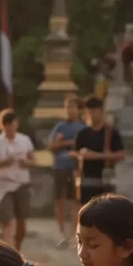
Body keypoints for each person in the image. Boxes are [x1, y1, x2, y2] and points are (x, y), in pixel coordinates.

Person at [0, 109, 35, 251]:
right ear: (1, 125)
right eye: (6, 124)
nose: (9, 127)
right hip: (3, 185)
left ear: (17, 124)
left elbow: (33, 160)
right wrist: (5, 162)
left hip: (21, 184)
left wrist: (26, 163)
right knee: (8, 221)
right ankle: (10, 251)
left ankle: (17, 249)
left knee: (22, 224)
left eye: (11, 123)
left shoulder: (24, 140)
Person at [47, 95, 85, 243]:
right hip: (59, 168)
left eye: (73, 107)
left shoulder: (83, 127)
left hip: (75, 168)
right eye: (68, 107)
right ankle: (60, 231)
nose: (70, 110)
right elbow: (51, 146)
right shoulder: (60, 126)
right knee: (59, 200)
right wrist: (66, 143)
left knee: (75, 201)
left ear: (79, 109)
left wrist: (64, 143)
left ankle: (74, 232)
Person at [73, 97, 125, 205]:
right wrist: (81, 155)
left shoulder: (111, 132)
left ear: (102, 112)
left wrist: (97, 156)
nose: (92, 115)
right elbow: (75, 152)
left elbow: (121, 154)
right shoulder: (83, 133)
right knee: (87, 210)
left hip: (106, 178)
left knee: (107, 209)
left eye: (94, 111)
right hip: (87, 178)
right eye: (89, 112)